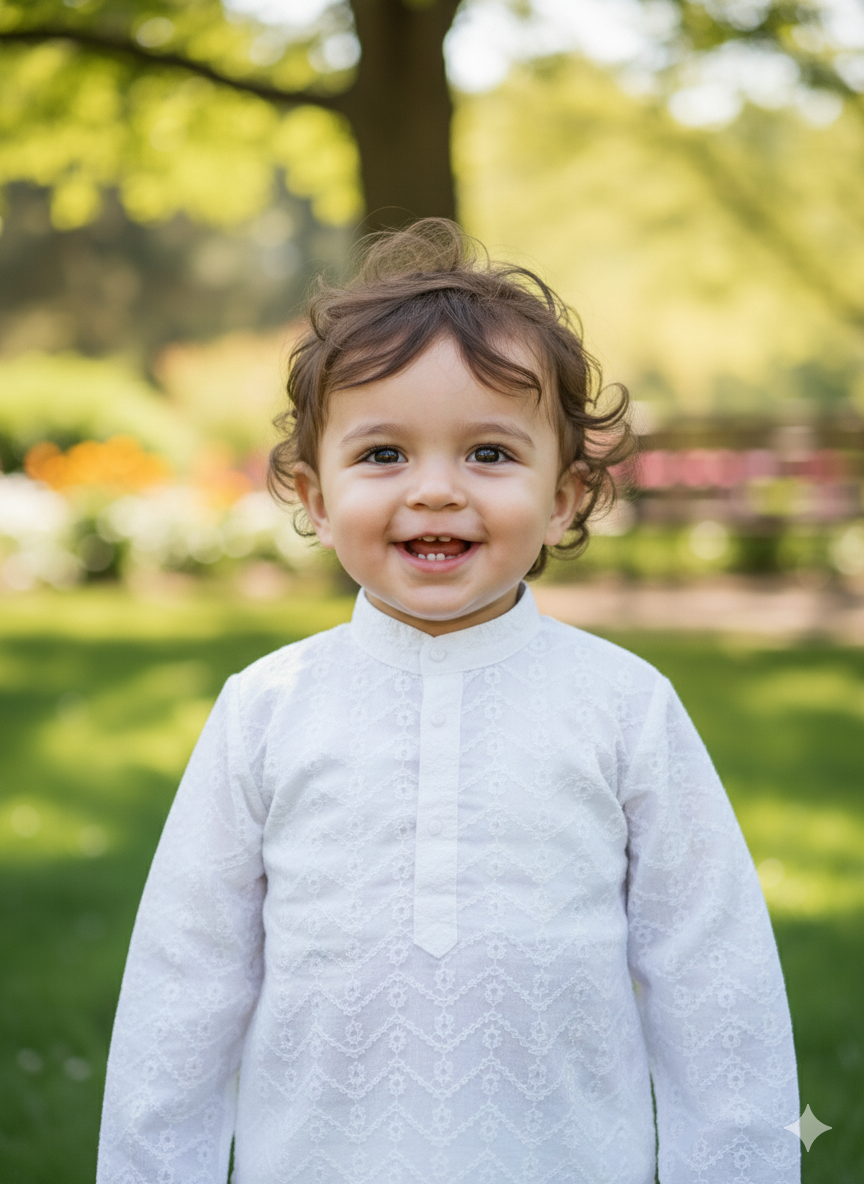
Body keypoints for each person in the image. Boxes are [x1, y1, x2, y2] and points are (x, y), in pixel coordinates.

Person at [97, 219, 799, 1184]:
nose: (435, 491)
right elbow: (184, 988)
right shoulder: (264, 710)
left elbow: (716, 987)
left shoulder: (625, 708)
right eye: (383, 454)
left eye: (490, 455)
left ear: (565, 495)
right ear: (311, 490)